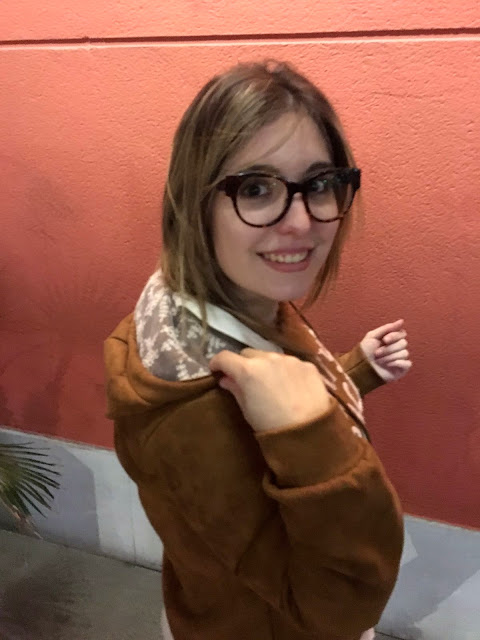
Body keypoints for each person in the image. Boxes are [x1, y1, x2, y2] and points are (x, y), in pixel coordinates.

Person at [104, 60, 412, 640]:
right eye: (255, 188)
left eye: (318, 184)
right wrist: (309, 435)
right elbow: (340, 609)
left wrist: (357, 370)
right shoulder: (195, 412)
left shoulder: (223, 303)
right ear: (195, 202)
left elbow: (279, 390)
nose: (300, 221)